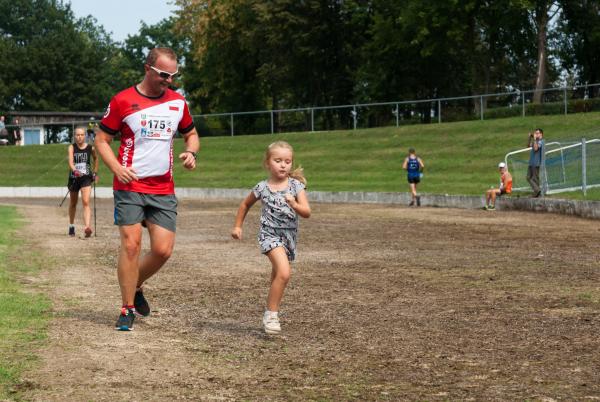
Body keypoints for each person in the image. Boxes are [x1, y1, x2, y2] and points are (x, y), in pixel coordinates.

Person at [95, 47, 200, 331]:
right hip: (129, 185)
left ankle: (136, 283)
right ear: (147, 68)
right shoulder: (122, 100)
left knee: (163, 250)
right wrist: (116, 168)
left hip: (163, 188)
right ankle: (127, 308)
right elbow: (101, 140)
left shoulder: (178, 102)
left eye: (173, 75)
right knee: (131, 245)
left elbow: (191, 134)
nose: (169, 80)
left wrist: (192, 152)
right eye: (164, 74)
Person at [231, 141, 311, 335]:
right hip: (269, 235)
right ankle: (271, 315)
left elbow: (307, 212)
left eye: (287, 161)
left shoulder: (296, 186)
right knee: (284, 273)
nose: (283, 165)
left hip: (288, 237)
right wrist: (238, 226)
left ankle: (271, 304)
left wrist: (294, 204)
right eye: (278, 161)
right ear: (267, 163)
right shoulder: (262, 187)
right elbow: (245, 205)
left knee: (277, 275)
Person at [67, 127, 98, 237]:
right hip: (74, 178)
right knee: (73, 203)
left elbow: (95, 159)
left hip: (86, 178)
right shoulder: (71, 147)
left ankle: (87, 227)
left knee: (86, 202)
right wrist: (75, 171)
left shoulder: (91, 148)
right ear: (74, 136)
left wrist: (95, 172)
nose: (79, 137)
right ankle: (71, 225)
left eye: (81, 135)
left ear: (85, 136)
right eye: (77, 135)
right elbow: (71, 162)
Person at [527, 128, 544, 197]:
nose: (536, 134)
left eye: (537, 133)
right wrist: (529, 138)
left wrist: (534, 139)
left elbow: (536, 148)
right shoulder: (536, 141)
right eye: (535, 133)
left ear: (541, 134)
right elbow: (528, 145)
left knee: (535, 179)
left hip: (536, 163)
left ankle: (537, 192)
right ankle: (537, 190)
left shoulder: (541, 141)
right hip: (531, 162)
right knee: (528, 177)